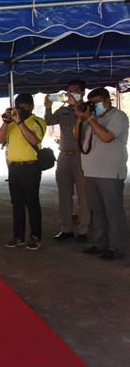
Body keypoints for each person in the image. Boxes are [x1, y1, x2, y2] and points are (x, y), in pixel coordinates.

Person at [74, 87, 129, 260]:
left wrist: (89, 118)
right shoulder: (94, 119)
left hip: (111, 173)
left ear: (107, 100)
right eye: (92, 104)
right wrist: (80, 119)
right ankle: (99, 243)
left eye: (97, 103)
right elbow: (77, 138)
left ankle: (116, 248)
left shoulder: (118, 116)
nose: (95, 106)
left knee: (113, 212)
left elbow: (107, 137)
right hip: (91, 172)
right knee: (96, 211)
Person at [0, 94, 47, 251]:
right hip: (14, 168)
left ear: (32, 107)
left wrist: (20, 122)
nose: (21, 110)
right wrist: (6, 122)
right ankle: (18, 236)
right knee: (16, 204)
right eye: (19, 107)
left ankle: (35, 237)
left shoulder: (38, 121)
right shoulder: (11, 123)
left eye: (24, 108)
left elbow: (34, 140)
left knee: (32, 203)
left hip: (31, 167)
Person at [44, 80, 90, 241]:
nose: (71, 94)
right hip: (64, 155)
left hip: (82, 155)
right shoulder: (63, 110)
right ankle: (66, 229)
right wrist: (48, 106)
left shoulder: (88, 110)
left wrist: (77, 106)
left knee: (84, 195)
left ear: (82, 93)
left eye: (75, 91)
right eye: (69, 91)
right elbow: (49, 121)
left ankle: (83, 230)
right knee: (64, 194)